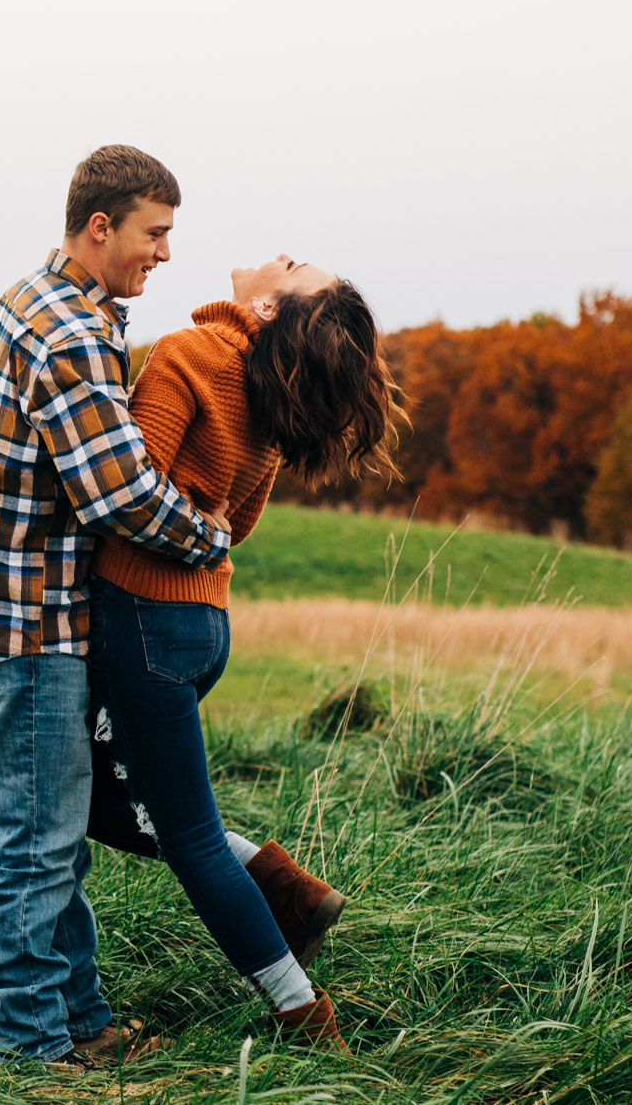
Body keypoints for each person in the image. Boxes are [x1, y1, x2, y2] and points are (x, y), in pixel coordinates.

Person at [0, 145, 238, 1069]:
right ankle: (33, 1049)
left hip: (9, 607)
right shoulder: (69, 333)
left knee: (56, 833)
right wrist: (208, 532)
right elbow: (117, 495)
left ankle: (83, 1022)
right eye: (154, 233)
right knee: (37, 842)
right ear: (100, 227)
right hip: (27, 619)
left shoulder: (38, 299)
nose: (165, 254)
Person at [84, 254, 402, 1053]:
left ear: (265, 303)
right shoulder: (266, 394)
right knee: (95, 802)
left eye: (293, 267)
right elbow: (237, 524)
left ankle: (300, 1009)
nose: (281, 255)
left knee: (185, 836)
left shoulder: (190, 355)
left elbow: (130, 493)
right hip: (204, 626)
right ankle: (283, 887)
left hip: (145, 619)